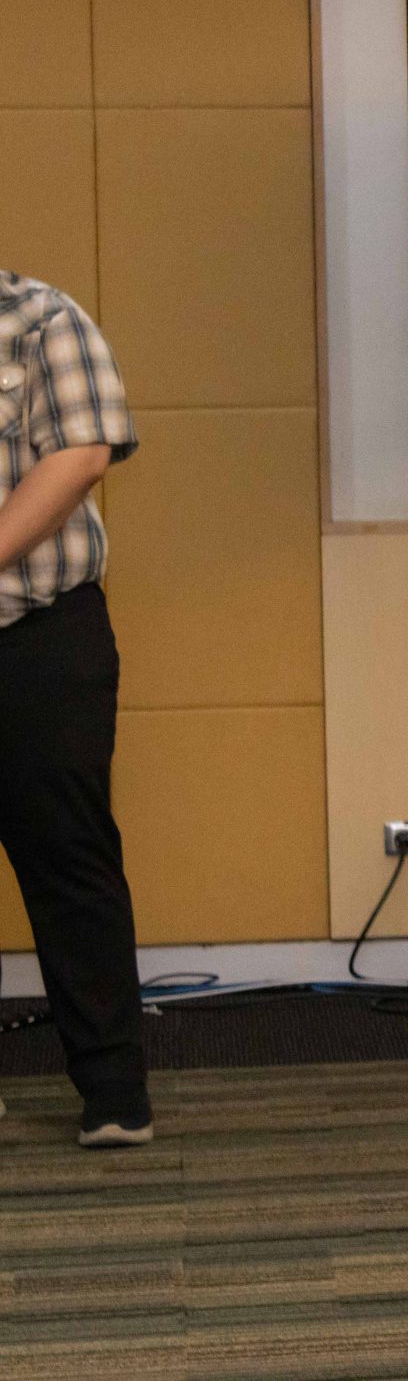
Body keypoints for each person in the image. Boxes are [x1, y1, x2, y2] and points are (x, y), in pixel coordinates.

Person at [0, 269, 149, 1149]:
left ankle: (113, 1089)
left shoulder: (39, 318)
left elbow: (82, 453)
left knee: (69, 855)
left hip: (39, 635)